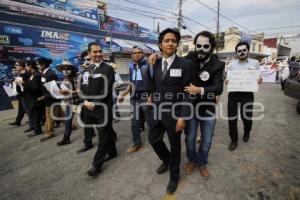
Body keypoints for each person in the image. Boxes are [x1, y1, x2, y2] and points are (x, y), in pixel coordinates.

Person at [146, 28, 193, 194]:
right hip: (157, 112)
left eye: (174, 41)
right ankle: (167, 160)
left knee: (175, 147)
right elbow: (151, 83)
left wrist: (183, 116)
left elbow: (188, 93)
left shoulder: (185, 65)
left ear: (177, 44)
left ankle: (174, 177)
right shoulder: (155, 62)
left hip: (175, 114)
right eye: (167, 40)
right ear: (160, 44)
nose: (171, 43)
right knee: (153, 140)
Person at [182, 31, 225, 179]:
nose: (201, 49)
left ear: (211, 47)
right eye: (198, 45)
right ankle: (192, 160)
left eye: (205, 46)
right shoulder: (189, 57)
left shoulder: (217, 64)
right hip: (191, 108)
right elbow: (174, 60)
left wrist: (199, 90)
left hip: (208, 109)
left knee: (206, 141)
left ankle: (202, 163)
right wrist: (158, 54)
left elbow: (218, 87)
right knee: (190, 139)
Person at [81, 42, 117, 177]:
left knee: (102, 137)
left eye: (99, 51)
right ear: (89, 54)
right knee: (106, 133)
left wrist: (94, 102)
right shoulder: (86, 70)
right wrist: (84, 100)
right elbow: (83, 88)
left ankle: (96, 165)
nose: (98, 54)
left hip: (103, 108)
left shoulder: (108, 69)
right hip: (89, 109)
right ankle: (113, 152)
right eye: (95, 52)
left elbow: (106, 89)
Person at [225, 42, 262, 151]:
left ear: (248, 50)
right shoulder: (231, 64)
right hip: (233, 93)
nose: (241, 52)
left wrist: (259, 80)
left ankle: (246, 132)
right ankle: (234, 140)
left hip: (247, 93)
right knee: (232, 118)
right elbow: (228, 78)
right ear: (236, 52)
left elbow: (258, 76)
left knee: (246, 116)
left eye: (244, 50)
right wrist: (227, 81)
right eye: (239, 51)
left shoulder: (255, 63)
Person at [118, 46, 151, 153]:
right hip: (134, 98)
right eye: (134, 53)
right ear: (131, 55)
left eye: (139, 52)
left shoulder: (149, 65)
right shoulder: (131, 67)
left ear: (143, 54)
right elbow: (131, 84)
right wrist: (123, 94)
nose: (136, 54)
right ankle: (137, 144)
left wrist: (151, 95)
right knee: (134, 122)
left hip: (146, 97)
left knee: (151, 120)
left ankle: (156, 140)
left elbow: (154, 82)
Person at [56, 60, 80, 145]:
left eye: (68, 68)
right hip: (70, 103)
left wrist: (69, 91)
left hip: (78, 103)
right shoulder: (65, 78)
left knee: (87, 120)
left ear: (72, 69)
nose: (65, 71)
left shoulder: (76, 77)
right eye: (63, 69)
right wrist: (63, 92)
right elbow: (66, 91)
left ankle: (93, 132)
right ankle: (66, 138)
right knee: (67, 121)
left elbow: (79, 91)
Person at [36, 57, 58, 142]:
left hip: (51, 99)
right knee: (61, 115)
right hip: (49, 99)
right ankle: (71, 126)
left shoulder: (50, 74)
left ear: (43, 64)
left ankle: (49, 132)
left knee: (49, 116)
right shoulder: (44, 73)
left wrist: (44, 97)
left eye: (38, 64)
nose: (37, 66)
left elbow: (54, 89)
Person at [9, 60, 31, 128]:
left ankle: (35, 121)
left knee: (26, 108)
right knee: (21, 108)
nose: (16, 66)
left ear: (22, 66)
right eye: (15, 65)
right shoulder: (19, 72)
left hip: (24, 93)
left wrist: (20, 82)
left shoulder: (26, 73)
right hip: (19, 93)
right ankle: (18, 121)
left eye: (17, 65)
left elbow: (27, 83)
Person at [25, 60, 44, 137]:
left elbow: (36, 88)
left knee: (36, 115)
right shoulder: (32, 74)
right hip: (31, 98)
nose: (26, 68)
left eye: (26, 66)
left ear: (30, 66)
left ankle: (37, 130)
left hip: (36, 98)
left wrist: (25, 84)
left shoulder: (36, 75)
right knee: (38, 114)